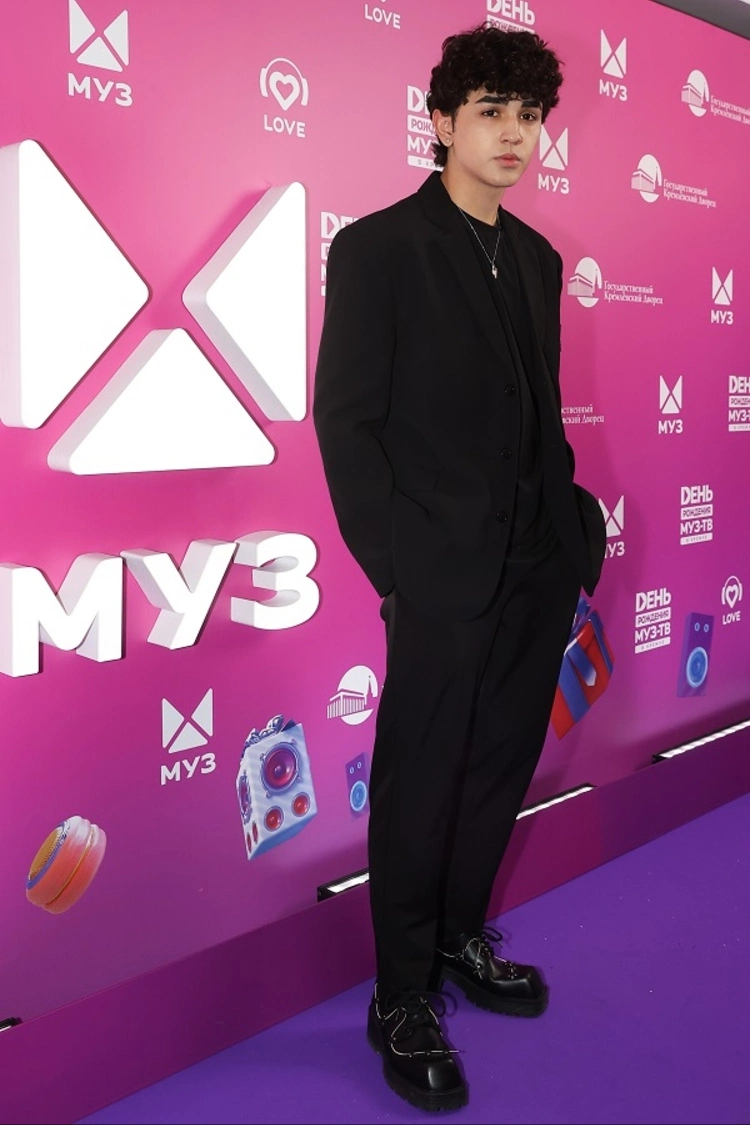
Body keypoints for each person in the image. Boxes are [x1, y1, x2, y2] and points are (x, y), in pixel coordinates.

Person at [313, 23, 606, 1113]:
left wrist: (573, 535)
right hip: (438, 576)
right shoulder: (381, 249)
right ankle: (400, 995)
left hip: (538, 563)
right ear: (440, 122)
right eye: (491, 112)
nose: (515, 134)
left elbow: (539, 413)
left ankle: (457, 939)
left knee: (495, 771)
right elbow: (346, 423)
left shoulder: (536, 258)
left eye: (529, 115)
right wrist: (398, 568)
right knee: (421, 780)